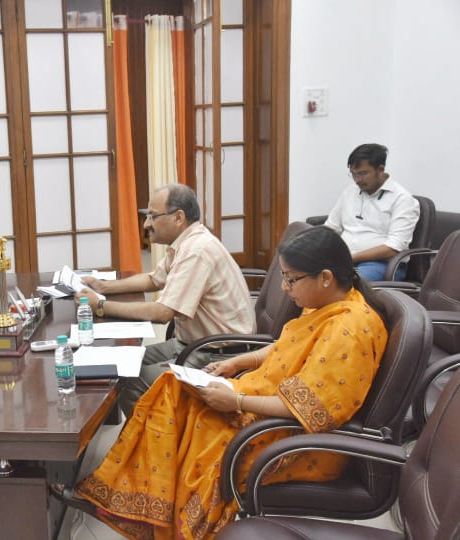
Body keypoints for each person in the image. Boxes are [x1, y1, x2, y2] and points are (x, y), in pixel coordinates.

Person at [52, 226, 389, 539]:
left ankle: (158, 516)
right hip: (264, 403)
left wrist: (236, 401)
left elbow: (311, 410)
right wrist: (238, 362)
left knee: (193, 420)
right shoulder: (326, 303)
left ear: (326, 277)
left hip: (294, 441)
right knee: (172, 389)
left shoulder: (349, 329)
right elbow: (285, 346)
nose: (284, 288)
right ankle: (137, 503)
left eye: (291, 279)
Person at [76, 183, 255, 415]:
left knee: (130, 380)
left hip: (217, 353)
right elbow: (154, 279)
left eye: (152, 216)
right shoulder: (185, 243)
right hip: (191, 343)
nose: (146, 224)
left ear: (178, 217)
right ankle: (148, 433)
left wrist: (100, 305)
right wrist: (104, 286)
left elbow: (162, 313)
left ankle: (152, 438)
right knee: (125, 362)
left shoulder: (197, 251)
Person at [324, 143, 419, 281]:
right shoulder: (350, 192)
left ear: (380, 169)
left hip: (380, 264)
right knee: (305, 277)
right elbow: (331, 228)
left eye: (363, 174)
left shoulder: (402, 199)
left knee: (341, 283)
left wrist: (350, 258)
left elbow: (393, 248)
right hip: (344, 260)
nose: (357, 180)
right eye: (353, 174)